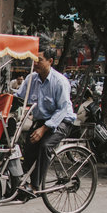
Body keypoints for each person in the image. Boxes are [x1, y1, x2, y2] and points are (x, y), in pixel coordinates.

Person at [13, 43, 76, 198]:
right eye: (34, 59)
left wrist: (44, 129)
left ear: (50, 61)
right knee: (27, 145)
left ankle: (35, 185)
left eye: (39, 60)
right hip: (42, 119)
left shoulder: (59, 81)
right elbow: (18, 98)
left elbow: (62, 109)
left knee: (44, 146)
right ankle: (25, 182)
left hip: (62, 121)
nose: (35, 63)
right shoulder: (31, 79)